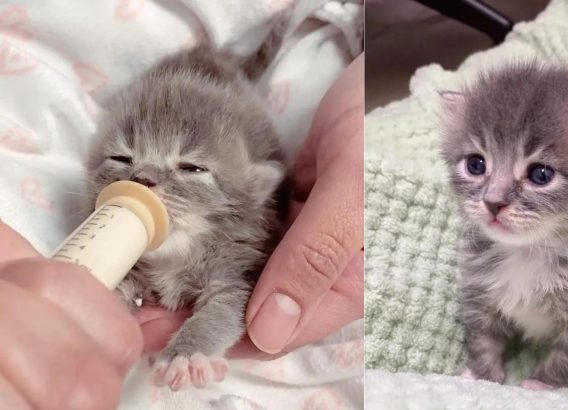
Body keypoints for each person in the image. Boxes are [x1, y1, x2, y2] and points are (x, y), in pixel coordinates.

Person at [0, 54, 363, 408]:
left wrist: (189, 349)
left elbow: (229, 298)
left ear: (253, 191)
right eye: (123, 160)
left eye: (189, 168)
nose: (144, 178)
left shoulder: (238, 238)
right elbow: (112, 288)